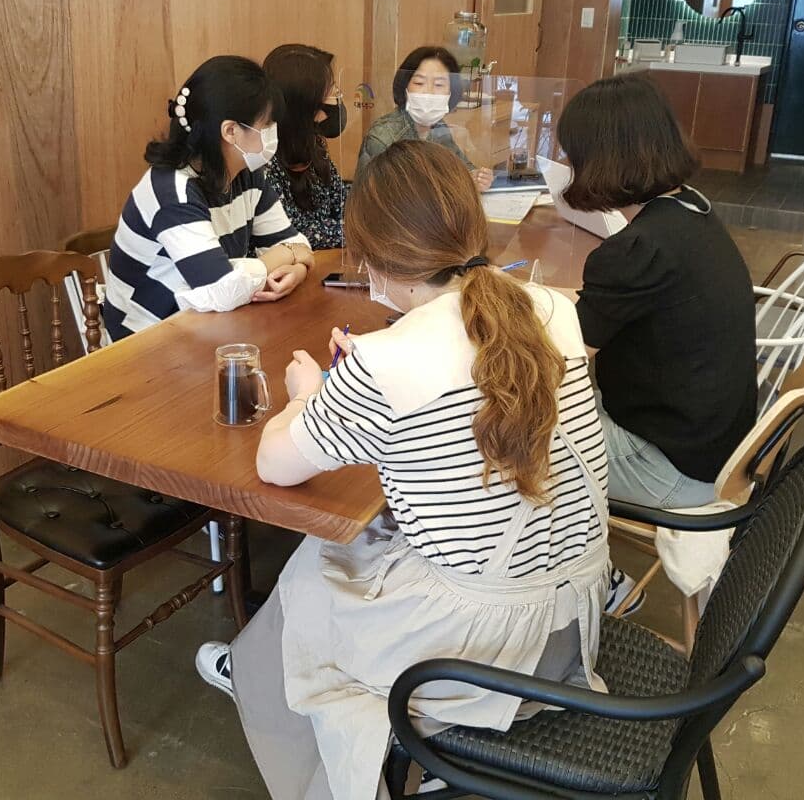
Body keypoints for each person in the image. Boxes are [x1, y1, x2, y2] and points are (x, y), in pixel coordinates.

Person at [196, 140, 611, 800]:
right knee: (356, 547)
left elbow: (275, 463)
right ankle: (255, 666)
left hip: (481, 649)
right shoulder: (552, 308)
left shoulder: (384, 361)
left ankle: (265, 681)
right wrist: (369, 370)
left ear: (374, 256)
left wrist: (309, 393)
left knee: (318, 565)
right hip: (573, 613)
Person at [558, 73, 757, 509]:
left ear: (599, 158)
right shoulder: (691, 209)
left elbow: (561, 357)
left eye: (572, 154)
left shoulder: (637, 249)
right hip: (713, 447)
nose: (568, 164)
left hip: (667, 465)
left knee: (493, 436)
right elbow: (602, 310)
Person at [102, 56, 314, 339]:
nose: (273, 134)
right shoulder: (171, 191)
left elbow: (298, 243)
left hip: (209, 323)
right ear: (231, 131)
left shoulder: (247, 174)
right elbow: (223, 288)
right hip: (145, 339)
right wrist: (289, 255)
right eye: (267, 124)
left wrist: (298, 269)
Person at [357, 45, 494, 191]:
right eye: (419, 83)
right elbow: (369, 197)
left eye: (439, 84)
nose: (429, 92)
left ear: (451, 92)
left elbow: (461, 166)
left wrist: (476, 177)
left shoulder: (438, 127)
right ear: (405, 87)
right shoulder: (382, 136)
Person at [262, 44, 348, 250]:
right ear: (304, 103)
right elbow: (294, 232)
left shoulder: (313, 142)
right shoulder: (264, 156)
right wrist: (357, 231)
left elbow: (340, 199)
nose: (338, 96)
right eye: (331, 90)